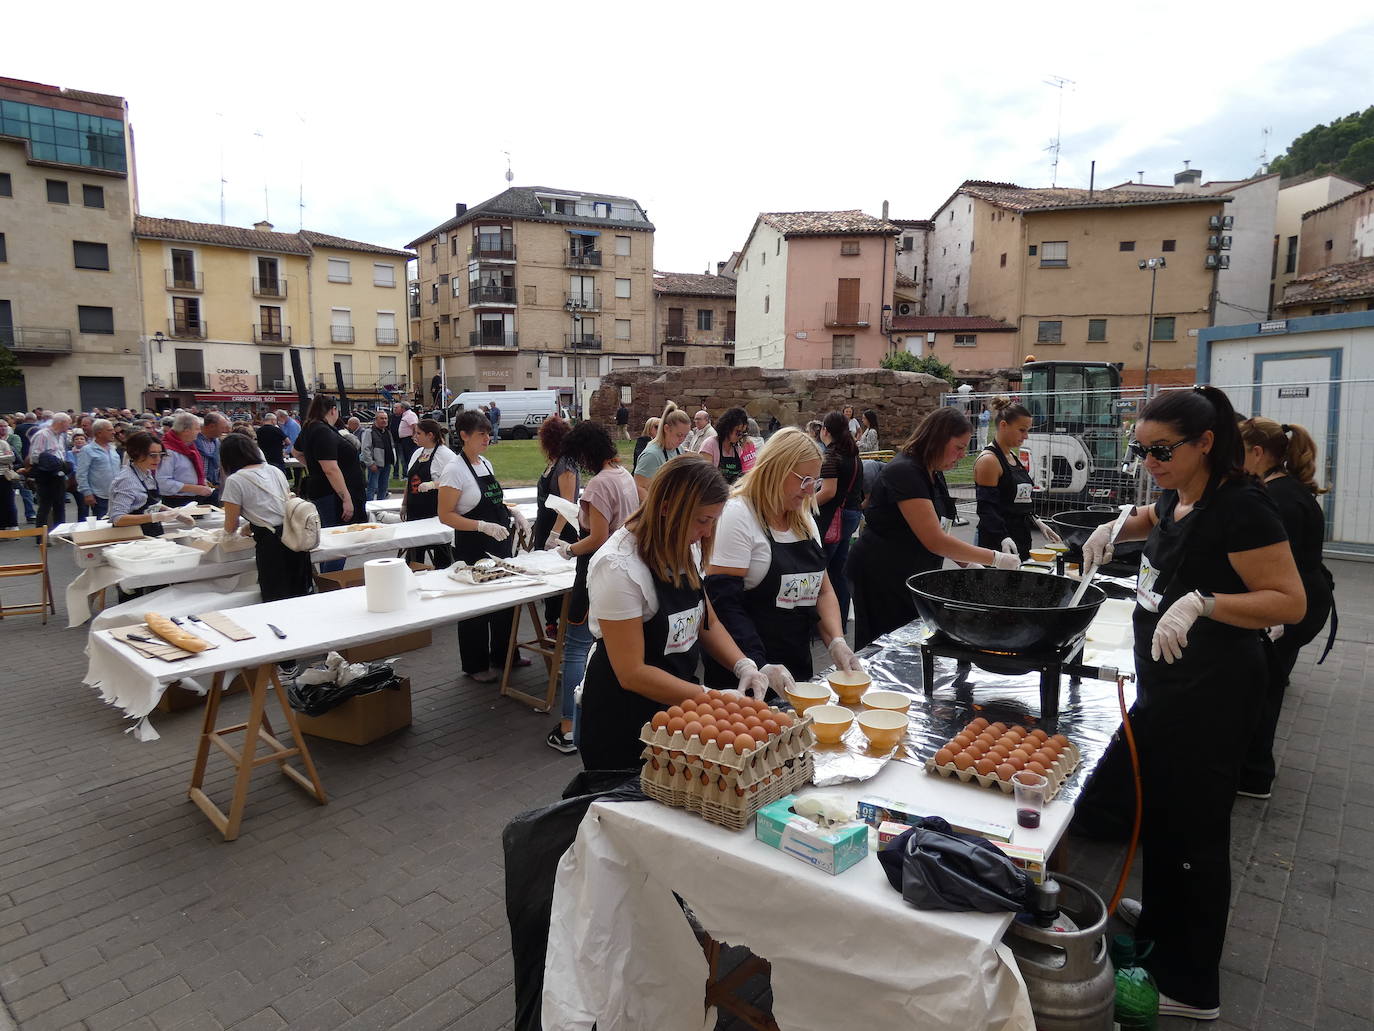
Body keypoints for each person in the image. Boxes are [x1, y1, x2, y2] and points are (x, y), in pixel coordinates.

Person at [1073, 387, 1305, 1022]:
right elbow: (1164, 516)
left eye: (1163, 450)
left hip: (1215, 692)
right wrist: (1120, 524)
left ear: (1206, 443)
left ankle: (1190, 982)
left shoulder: (1244, 508)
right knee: (1166, 819)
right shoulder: (1182, 489)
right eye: (1142, 451)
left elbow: (1290, 600)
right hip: (1168, 685)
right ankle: (1168, 920)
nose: (1151, 462)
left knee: (1197, 833)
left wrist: (1205, 602)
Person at [579, 457, 771, 770]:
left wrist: (744, 664)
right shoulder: (618, 567)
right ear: (668, 508)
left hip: (677, 708)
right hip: (624, 719)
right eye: (702, 520)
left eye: (713, 521)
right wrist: (710, 698)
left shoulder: (685, 544)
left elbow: (706, 621)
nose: (708, 533)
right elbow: (632, 673)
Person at [845, 407, 1022, 650]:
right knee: (884, 645)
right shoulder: (904, 471)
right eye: (959, 448)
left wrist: (969, 564)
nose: (962, 455)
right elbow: (934, 540)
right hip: (881, 573)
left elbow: (939, 528)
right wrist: (995, 558)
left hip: (910, 569)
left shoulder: (931, 471)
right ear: (937, 439)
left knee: (909, 641)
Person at [704, 428, 861, 696]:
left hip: (795, 664)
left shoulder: (803, 518)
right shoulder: (738, 516)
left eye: (815, 481)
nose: (811, 490)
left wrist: (836, 640)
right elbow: (722, 605)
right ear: (776, 470)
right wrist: (758, 664)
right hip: (747, 673)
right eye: (804, 480)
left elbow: (822, 589)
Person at [1237, 417, 1335, 799]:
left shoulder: (1279, 499)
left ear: (1257, 453)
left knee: (1262, 687)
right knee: (1268, 682)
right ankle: (1253, 769)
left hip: (1293, 606)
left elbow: (1277, 566)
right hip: (1305, 599)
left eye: (1238, 452)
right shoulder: (1284, 489)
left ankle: (1254, 774)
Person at [543, 421, 640, 754]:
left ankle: (569, 726)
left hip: (594, 572)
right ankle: (601, 715)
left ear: (586, 452)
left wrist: (567, 548)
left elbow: (597, 537)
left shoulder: (598, 484)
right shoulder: (623, 475)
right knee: (606, 649)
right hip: (621, 570)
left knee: (575, 649)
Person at [437, 409, 527, 682]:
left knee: (504, 602)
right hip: (472, 547)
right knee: (476, 609)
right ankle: (475, 665)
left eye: (489, 433)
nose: (487, 438)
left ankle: (504, 655)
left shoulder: (485, 464)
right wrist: (481, 525)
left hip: (499, 544)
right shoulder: (454, 470)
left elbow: (495, 501)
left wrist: (513, 513)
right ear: (463, 436)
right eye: (481, 434)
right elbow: (445, 514)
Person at [220, 433, 313, 604]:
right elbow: (279, 505)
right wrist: (249, 526)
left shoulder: (235, 480)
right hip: (293, 533)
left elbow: (230, 525)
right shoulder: (274, 470)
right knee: (300, 591)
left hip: (271, 543)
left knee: (276, 595)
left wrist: (228, 533)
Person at [297, 396, 367, 574]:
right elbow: (330, 468)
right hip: (332, 494)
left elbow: (296, 452)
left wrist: (313, 466)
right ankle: (330, 582)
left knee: (330, 542)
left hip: (324, 490)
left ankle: (328, 579)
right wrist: (346, 499)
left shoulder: (310, 427)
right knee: (338, 543)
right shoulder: (322, 431)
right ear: (333, 410)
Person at [815, 412, 864, 635]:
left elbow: (828, 492)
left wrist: (804, 505)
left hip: (833, 517)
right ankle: (840, 623)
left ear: (825, 430)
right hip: (851, 514)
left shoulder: (832, 455)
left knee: (821, 573)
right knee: (839, 573)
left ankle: (821, 626)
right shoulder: (853, 453)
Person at [532, 415, 580, 636]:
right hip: (546, 523)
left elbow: (567, 503)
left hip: (561, 529)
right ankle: (551, 621)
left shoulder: (566, 464)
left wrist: (554, 534)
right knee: (547, 575)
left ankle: (565, 624)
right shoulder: (554, 461)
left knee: (560, 576)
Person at [974, 396, 1036, 560]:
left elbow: (1019, 500)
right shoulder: (989, 460)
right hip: (998, 543)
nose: (1026, 436)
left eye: (1027, 431)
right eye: (1022, 430)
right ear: (1003, 425)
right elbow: (986, 508)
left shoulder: (1012, 456)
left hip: (1020, 538)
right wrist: (1002, 537)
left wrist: (1037, 522)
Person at [402, 418, 457, 568]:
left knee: (441, 552)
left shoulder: (446, 455)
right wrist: (404, 504)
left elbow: (455, 482)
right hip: (415, 511)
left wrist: (433, 484)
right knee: (414, 552)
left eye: (418, 433)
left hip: (435, 512)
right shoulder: (418, 453)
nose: (415, 436)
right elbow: (409, 480)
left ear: (430, 435)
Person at [108, 432, 185, 536]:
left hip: (151, 532)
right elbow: (118, 518)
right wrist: (155, 517)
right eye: (152, 455)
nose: (158, 459)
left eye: (160, 454)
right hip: (133, 538)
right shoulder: (127, 480)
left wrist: (170, 511)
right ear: (136, 453)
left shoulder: (146, 472)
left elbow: (144, 502)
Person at [25, 411, 72, 528]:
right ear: (61, 423)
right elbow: (35, 456)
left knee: (60, 505)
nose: (69, 427)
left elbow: (61, 453)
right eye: (68, 424)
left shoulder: (61, 436)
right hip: (46, 475)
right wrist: (51, 462)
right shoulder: (42, 435)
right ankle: (41, 536)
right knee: (45, 506)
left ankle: (59, 533)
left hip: (59, 474)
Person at [633, 402, 690, 496]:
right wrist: (657, 508)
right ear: (666, 429)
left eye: (685, 436)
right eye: (679, 435)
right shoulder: (651, 455)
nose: (682, 439)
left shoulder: (679, 449)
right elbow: (639, 487)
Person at [157, 412, 214, 507]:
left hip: (193, 499)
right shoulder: (168, 451)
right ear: (186, 430)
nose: (200, 431)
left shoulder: (189, 446)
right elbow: (163, 483)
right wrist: (194, 488)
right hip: (176, 502)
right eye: (197, 429)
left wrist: (202, 481)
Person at [76, 419, 121, 520]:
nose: (114, 432)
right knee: (103, 524)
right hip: (99, 496)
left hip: (117, 494)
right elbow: (81, 474)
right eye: (110, 430)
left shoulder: (113, 448)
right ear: (99, 433)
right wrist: (87, 493)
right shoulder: (87, 450)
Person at [698, 408, 750, 485]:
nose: (740, 436)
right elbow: (705, 475)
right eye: (738, 432)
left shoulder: (737, 449)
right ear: (727, 428)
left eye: (743, 433)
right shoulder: (710, 444)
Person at [361, 410, 396, 502]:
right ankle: (369, 507)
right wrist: (370, 463)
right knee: (372, 488)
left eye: (385, 418)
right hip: (375, 465)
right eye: (381, 418)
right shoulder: (369, 432)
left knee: (383, 488)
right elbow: (365, 449)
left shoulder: (387, 432)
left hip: (387, 464)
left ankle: (381, 508)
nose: (384, 420)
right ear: (376, 420)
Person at [195, 412, 228, 502]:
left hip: (213, 489)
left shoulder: (217, 442)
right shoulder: (193, 440)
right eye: (222, 427)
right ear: (212, 426)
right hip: (196, 489)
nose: (224, 431)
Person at [66, 431, 89, 520]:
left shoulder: (89, 452)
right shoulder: (69, 453)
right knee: (82, 505)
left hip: (91, 481)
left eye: (82, 439)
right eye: (76, 439)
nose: (79, 440)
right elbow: (72, 466)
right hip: (76, 482)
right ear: (73, 442)